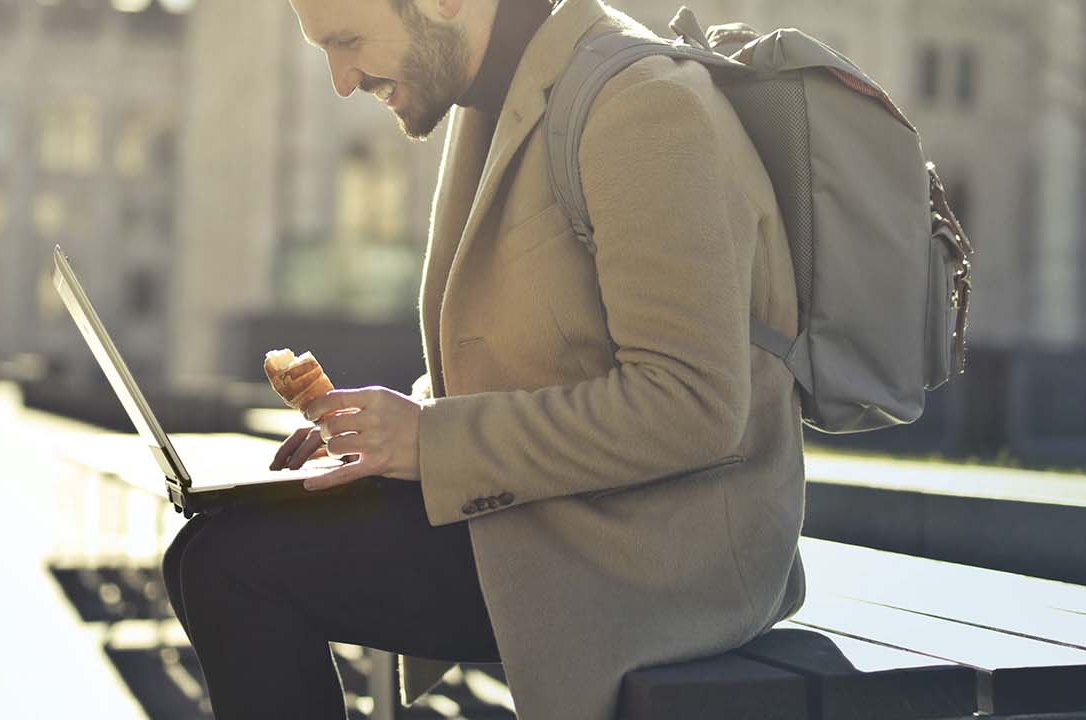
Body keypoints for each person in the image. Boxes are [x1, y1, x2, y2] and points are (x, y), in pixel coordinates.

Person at [162, 0, 806, 717]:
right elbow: (541, 355)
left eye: (347, 42)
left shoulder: (644, 104)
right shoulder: (495, 101)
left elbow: (695, 406)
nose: (342, 81)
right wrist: (379, 435)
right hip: (560, 512)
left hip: (662, 553)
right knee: (203, 551)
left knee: (234, 566)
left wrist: (430, 441)